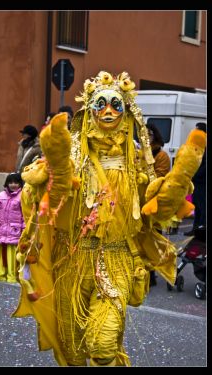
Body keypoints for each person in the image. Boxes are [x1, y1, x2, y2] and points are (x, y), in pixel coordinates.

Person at [12, 71, 206, 366]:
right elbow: (38, 200)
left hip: (116, 262)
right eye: (100, 104)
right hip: (71, 264)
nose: (108, 111)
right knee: (72, 350)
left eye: (116, 105)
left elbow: (155, 211)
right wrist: (52, 179)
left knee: (103, 344)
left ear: (126, 112)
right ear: (88, 110)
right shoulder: (69, 159)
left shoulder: (137, 164)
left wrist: (175, 186)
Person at [0, 172, 24, 283]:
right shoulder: (1, 195)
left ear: (20, 183)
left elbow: (25, 214)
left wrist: (24, 228)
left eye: (16, 182)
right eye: (10, 182)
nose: (13, 184)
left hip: (15, 231)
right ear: (7, 183)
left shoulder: (23, 196)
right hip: (1, 230)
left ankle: (12, 275)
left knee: (12, 255)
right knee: (0, 253)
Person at [146, 123, 171, 286]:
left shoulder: (162, 156)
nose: (146, 137)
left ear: (155, 136)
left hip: (155, 203)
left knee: (153, 237)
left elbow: (160, 177)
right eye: (143, 133)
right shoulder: (138, 152)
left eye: (149, 134)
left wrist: (143, 174)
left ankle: (152, 273)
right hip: (140, 202)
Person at [184, 122, 206, 236]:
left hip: (202, 182)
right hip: (196, 181)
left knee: (202, 206)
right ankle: (195, 228)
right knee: (196, 205)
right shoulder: (198, 146)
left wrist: (196, 175)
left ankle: (201, 229)